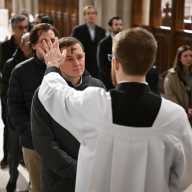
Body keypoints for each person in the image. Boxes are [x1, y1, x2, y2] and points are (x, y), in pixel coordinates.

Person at [37, 27, 192, 192]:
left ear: (116, 63)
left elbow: (52, 93)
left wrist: (53, 66)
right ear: (150, 64)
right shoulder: (174, 116)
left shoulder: (94, 104)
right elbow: (184, 176)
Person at [31, 37, 105, 192]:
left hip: (93, 174)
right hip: (59, 178)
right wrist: (78, 170)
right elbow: (43, 142)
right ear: (58, 61)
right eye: (69, 59)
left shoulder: (97, 87)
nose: (77, 63)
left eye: (79, 57)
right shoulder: (44, 93)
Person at [7, 23, 58, 192]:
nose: (49, 44)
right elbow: (14, 109)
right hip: (33, 143)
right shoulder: (20, 71)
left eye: (52, 40)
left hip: (62, 143)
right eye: (44, 41)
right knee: (39, 187)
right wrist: (31, 133)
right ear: (34, 45)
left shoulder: (65, 68)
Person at [2, 32, 33, 192]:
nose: (29, 45)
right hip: (15, 119)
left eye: (31, 42)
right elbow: (5, 93)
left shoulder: (39, 64)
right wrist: (10, 116)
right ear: (21, 45)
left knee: (30, 154)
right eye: (26, 42)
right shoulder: (11, 64)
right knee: (13, 152)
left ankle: (31, 183)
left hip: (33, 120)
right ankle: (13, 178)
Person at [0, 14, 29, 168]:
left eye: (26, 27)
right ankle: (7, 156)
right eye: (20, 28)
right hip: (9, 93)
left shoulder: (30, 45)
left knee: (24, 127)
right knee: (9, 126)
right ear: (13, 28)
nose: (24, 30)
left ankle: (22, 156)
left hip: (25, 94)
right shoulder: (4, 47)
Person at [72, 5, 106, 78]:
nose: (91, 16)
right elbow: (73, 47)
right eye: (88, 13)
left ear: (96, 15)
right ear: (84, 16)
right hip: (83, 65)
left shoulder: (102, 31)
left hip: (98, 67)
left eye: (93, 13)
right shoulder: (77, 30)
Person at [164, 45, 192, 123]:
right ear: (179, 58)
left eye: (191, 56)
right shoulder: (172, 75)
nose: (189, 58)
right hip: (178, 112)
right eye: (185, 56)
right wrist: (184, 111)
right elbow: (170, 95)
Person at [97, 16, 123, 90]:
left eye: (120, 25)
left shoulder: (126, 42)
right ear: (110, 27)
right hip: (107, 81)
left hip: (122, 80)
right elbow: (102, 66)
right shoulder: (103, 44)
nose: (119, 27)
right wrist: (113, 79)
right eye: (116, 25)